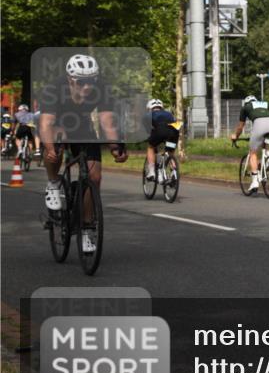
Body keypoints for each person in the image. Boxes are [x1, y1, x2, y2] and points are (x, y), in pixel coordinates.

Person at [37, 54, 128, 254]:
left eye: (91, 81)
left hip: (83, 126)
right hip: (58, 123)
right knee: (56, 142)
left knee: (94, 177)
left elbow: (106, 121)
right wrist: (50, 148)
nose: (87, 86)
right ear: (70, 79)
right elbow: (46, 123)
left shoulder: (101, 88)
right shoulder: (54, 89)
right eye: (82, 82)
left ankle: (87, 228)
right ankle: (53, 183)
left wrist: (115, 147)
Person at [230, 94, 269, 194]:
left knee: (253, 153)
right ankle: (268, 158)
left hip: (260, 126)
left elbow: (240, 126)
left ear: (246, 102)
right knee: (265, 144)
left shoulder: (245, 107)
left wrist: (236, 136)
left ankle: (255, 181)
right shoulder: (264, 104)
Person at [144, 99, 180, 181]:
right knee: (170, 152)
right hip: (174, 133)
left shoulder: (148, 115)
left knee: (150, 147)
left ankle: (152, 172)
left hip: (160, 131)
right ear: (161, 107)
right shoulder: (169, 113)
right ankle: (174, 172)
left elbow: (148, 131)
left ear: (149, 108)